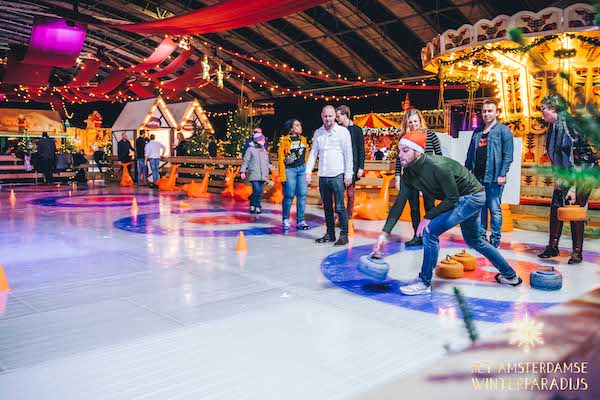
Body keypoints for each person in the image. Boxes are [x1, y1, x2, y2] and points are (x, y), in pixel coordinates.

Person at [373, 131, 522, 295]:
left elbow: (452, 199)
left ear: (418, 151)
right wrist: (383, 234)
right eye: (399, 150)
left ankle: (424, 282)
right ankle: (510, 276)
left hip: (472, 196)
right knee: (474, 240)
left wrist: (427, 218)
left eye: (405, 150)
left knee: (429, 232)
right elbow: (398, 205)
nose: (400, 155)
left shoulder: (438, 166)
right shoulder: (409, 173)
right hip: (467, 197)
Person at [538, 94, 599, 264]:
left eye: (543, 108)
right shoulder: (553, 126)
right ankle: (553, 246)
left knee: (575, 209)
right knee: (556, 205)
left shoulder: (568, 126)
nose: (541, 112)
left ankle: (577, 253)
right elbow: (557, 157)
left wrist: (572, 188)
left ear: (553, 108)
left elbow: (576, 159)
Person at [465, 99, 513, 248]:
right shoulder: (478, 131)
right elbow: (470, 154)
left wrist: (502, 174)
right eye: (484, 111)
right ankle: (481, 237)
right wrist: (466, 172)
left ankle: (495, 239)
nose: (486, 114)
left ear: (497, 112)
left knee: (494, 209)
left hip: (494, 178)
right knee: (480, 209)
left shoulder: (503, 131)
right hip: (477, 178)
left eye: (490, 111)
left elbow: (508, 155)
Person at [305, 105, 354, 246]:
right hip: (323, 175)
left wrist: (348, 174)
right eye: (325, 116)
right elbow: (314, 152)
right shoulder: (318, 133)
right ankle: (330, 233)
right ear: (322, 116)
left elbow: (348, 154)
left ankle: (344, 235)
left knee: (340, 206)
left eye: (330, 116)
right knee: (326, 206)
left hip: (338, 174)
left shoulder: (343, 132)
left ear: (335, 116)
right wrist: (308, 171)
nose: (328, 119)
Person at [395, 109, 443, 246]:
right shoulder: (404, 138)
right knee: (414, 207)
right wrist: (398, 175)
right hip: (411, 176)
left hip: (428, 176)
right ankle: (417, 235)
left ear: (420, 121)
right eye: (410, 122)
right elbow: (400, 158)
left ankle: (430, 235)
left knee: (429, 206)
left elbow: (439, 155)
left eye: (415, 121)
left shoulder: (430, 135)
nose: (413, 124)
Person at [278, 118, 310, 230]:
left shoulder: (304, 140)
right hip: (290, 170)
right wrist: (282, 175)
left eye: (300, 125)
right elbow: (281, 159)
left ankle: (301, 220)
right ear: (291, 128)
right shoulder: (284, 141)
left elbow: (306, 155)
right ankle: (285, 219)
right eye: (296, 125)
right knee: (289, 195)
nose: (300, 127)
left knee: (302, 195)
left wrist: (307, 170)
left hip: (302, 169)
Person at [335, 105, 365, 221]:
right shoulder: (337, 130)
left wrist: (361, 167)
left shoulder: (357, 130)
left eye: (338, 116)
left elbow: (361, 149)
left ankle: (348, 216)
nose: (337, 119)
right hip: (339, 165)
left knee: (351, 194)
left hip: (353, 165)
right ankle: (338, 215)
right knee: (339, 193)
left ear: (345, 115)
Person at [240, 132, 273, 214]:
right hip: (254, 173)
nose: (264, 141)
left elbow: (266, 161)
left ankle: (257, 206)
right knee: (257, 190)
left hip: (263, 174)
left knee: (260, 191)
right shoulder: (250, 150)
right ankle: (252, 205)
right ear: (257, 140)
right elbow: (246, 161)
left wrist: (270, 167)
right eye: (262, 140)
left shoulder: (264, 150)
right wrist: (242, 171)